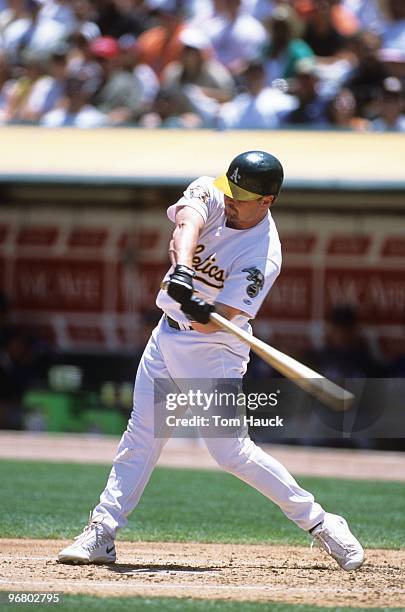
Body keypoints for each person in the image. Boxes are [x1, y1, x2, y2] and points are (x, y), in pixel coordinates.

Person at [58, 150, 364, 572]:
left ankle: (322, 522)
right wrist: (183, 271)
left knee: (231, 453)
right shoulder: (216, 190)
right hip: (166, 335)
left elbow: (221, 322)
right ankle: (102, 531)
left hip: (213, 350)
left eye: (242, 197)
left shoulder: (263, 255)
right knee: (141, 436)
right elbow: (187, 222)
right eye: (231, 190)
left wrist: (206, 311)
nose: (231, 200)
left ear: (267, 201)